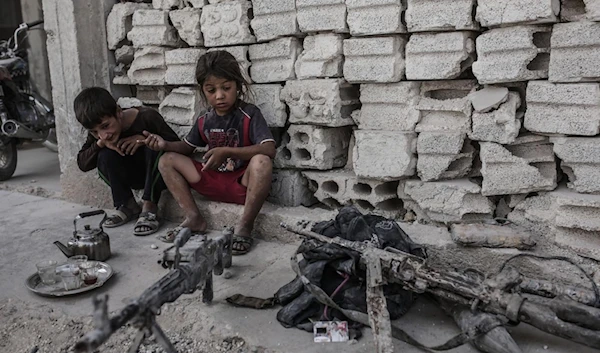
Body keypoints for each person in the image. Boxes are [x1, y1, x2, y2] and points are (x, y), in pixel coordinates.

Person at [138, 50, 275, 255]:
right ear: (203, 91)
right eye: (211, 90)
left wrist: (228, 152)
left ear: (238, 86)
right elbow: (186, 147)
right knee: (166, 160)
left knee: (262, 162)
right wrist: (164, 145)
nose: (219, 95)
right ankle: (194, 217)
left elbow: (269, 148)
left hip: (241, 185)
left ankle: (245, 225)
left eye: (226, 88)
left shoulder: (249, 113)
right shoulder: (205, 118)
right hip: (210, 180)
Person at [75, 87, 180, 236]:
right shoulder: (100, 135)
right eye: (95, 131)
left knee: (153, 147)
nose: (103, 135)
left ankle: (149, 207)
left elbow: (177, 148)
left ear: (118, 112)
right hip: (131, 177)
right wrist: (100, 144)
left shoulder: (147, 117)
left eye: (106, 126)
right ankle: (127, 205)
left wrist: (146, 140)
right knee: (104, 155)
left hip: (156, 176)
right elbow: (83, 164)